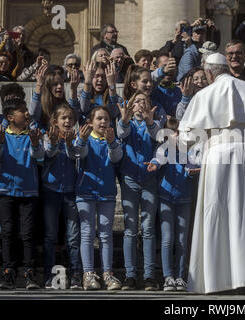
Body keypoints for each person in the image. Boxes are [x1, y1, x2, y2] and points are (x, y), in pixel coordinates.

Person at [179, 53, 245, 294]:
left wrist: (178, 139)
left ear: (209, 72)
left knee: (219, 213)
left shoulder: (204, 95)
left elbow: (188, 138)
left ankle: (217, 281)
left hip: (220, 155)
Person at [0, 99, 44, 290]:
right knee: (7, 233)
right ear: (10, 117)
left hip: (28, 191)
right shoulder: (2, 134)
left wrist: (37, 144)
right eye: (22, 112)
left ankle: (30, 272)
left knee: (28, 234)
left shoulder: (33, 133)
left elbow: (40, 156)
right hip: (6, 191)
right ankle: (8, 273)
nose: (27, 114)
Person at [69, 106, 123, 290]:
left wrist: (112, 143)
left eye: (106, 119)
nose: (103, 122)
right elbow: (77, 154)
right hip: (85, 192)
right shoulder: (83, 138)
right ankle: (89, 274)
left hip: (106, 193)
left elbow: (116, 158)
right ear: (90, 122)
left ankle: (107, 274)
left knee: (106, 234)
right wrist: (82, 140)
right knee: (87, 233)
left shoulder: (113, 140)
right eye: (99, 119)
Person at [146, 117, 200, 291]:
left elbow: (193, 166)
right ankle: (168, 276)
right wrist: (154, 166)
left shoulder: (188, 151)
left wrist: (192, 172)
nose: (176, 135)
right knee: (167, 239)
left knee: (182, 239)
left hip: (184, 199)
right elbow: (157, 160)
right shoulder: (163, 149)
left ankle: (180, 276)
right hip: (166, 198)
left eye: (179, 132)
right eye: (172, 132)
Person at [115, 90, 162, 291]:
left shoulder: (156, 124)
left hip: (149, 180)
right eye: (137, 101)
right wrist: (124, 120)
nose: (141, 104)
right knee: (131, 229)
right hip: (130, 180)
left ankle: (149, 276)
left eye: (145, 101)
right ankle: (130, 275)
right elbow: (120, 134)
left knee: (149, 228)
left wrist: (150, 121)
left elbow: (157, 137)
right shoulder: (125, 123)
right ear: (131, 105)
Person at [42, 103, 82, 290]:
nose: (67, 121)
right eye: (63, 118)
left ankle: (76, 274)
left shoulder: (77, 139)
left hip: (71, 192)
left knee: (73, 236)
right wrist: (53, 142)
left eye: (70, 118)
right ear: (55, 122)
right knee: (50, 235)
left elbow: (75, 156)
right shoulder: (47, 137)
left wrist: (68, 144)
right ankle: (50, 274)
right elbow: (46, 155)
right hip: (51, 191)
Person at [80, 60, 121, 124]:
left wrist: (112, 85)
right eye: (96, 76)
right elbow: (84, 108)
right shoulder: (82, 94)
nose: (100, 80)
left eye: (104, 77)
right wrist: (87, 83)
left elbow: (113, 113)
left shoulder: (115, 97)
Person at [151, 52, 182, 117]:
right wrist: (162, 71)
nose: (169, 70)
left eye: (172, 66)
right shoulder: (151, 89)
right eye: (165, 66)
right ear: (156, 68)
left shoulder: (180, 91)